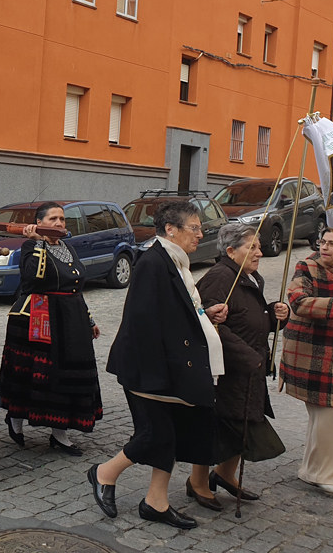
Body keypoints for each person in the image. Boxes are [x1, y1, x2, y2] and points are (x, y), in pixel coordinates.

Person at [89, 200, 228, 530]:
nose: (200, 234)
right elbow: (142, 320)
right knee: (154, 433)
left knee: (169, 435)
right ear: (171, 229)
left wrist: (203, 315)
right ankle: (104, 473)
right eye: (194, 228)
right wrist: (157, 377)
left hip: (170, 366)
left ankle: (155, 502)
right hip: (148, 368)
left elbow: (173, 313)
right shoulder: (153, 261)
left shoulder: (176, 261)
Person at [185, 223, 288, 510]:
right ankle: (198, 482)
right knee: (217, 428)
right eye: (251, 247)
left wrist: (277, 313)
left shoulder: (249, 277)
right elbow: (209, 323)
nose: (259, 252)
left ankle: (224, 474)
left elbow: (249, 317)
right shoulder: (220, 277)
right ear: (230, 251)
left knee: (245, 424)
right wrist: (247, 356)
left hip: (249, 369)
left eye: (258, 246)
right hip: (228, 370)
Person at [0, 202, 103, 456]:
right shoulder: (29, 246)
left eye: (62, 219)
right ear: (40, 223)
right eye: (53, 219)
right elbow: (34, 278)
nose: (59, 223)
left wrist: (89, 319)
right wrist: (38, 243)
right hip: (40, 318)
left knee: (66, 376)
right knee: (34, 375)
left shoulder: (67, 246)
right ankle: (15, 420)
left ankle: (60, 434)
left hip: (71, 320)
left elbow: (76, 285)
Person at [279, 229, 333, 494]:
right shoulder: (306, 266)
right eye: (323, 242)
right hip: (310, 352)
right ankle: (325, 474)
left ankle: (311, 468)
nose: (325, 248)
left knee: (324, 412)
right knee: (330, 411)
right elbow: (298, 301)